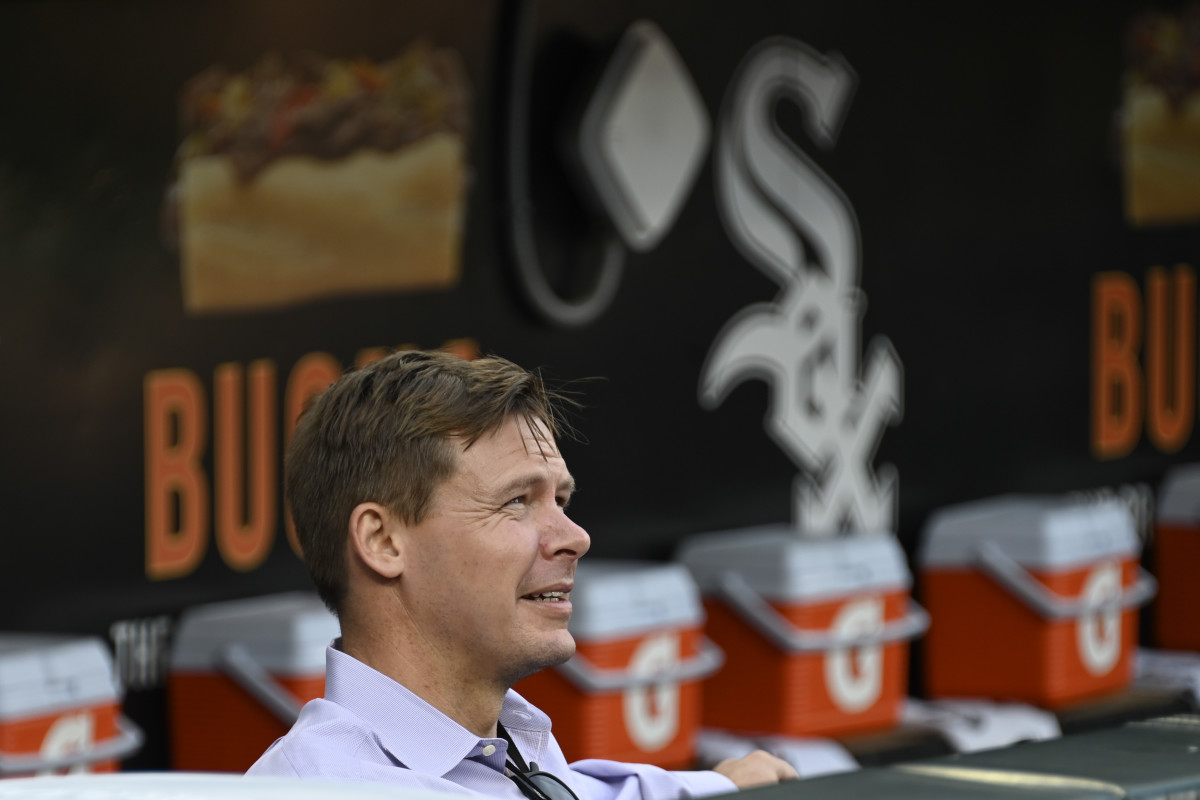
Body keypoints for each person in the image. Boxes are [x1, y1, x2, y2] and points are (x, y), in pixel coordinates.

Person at [247, 350, 797, 797]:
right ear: (383, 541)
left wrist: (722, 785)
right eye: (516, 501)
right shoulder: (313, 790)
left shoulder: (510, 753)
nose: (575, 537)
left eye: (560, 499)